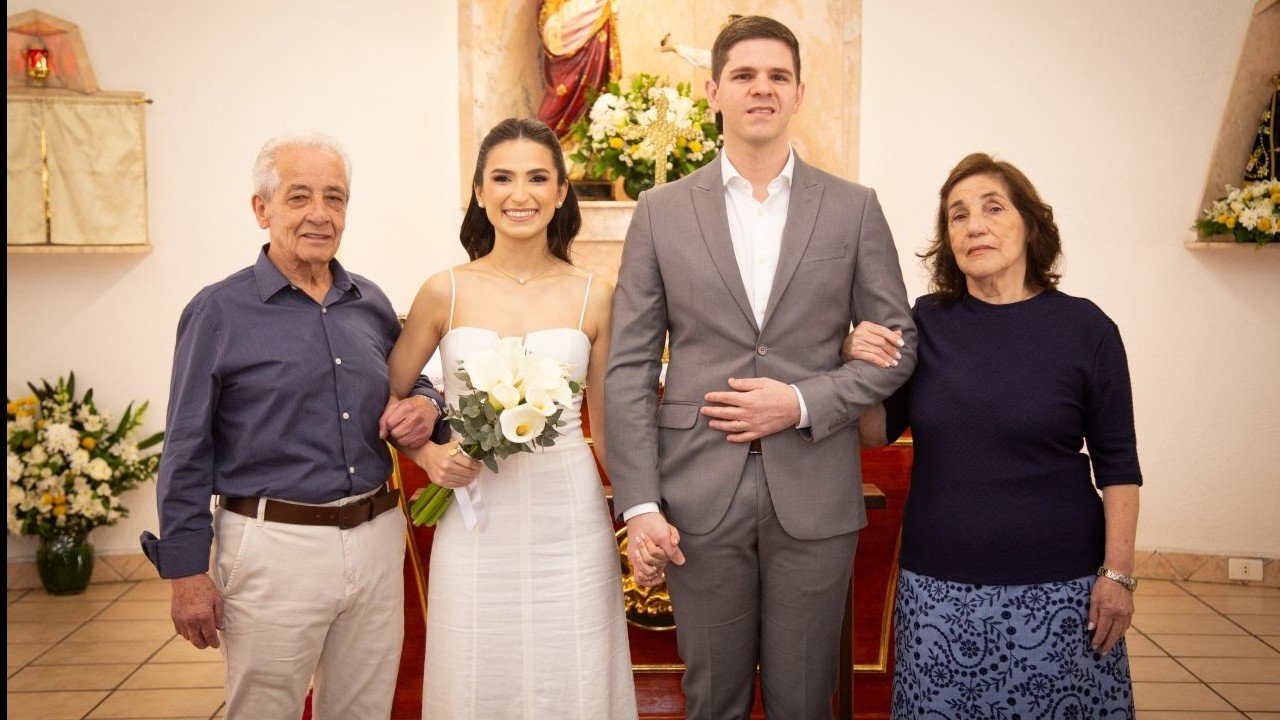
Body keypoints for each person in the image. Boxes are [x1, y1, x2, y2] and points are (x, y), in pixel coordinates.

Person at [605, 15, 916, 720]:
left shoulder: (853, 208)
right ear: (713, 91)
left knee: (803, 699)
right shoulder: (659, 212)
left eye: (778, 76)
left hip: (815, 487)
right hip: (697, 493)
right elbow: (628, 367)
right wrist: (641, 504)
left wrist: (801, 402)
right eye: (744, 75)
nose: (762, 88)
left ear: (799, 93)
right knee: (711, 697)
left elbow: (898, 343)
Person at [140, 131, 448, 719]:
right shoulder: (218, 311)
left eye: (334, 198)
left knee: (363, 709)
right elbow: (185, 447)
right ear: (262, 209)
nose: (319, 214)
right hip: (273, 547)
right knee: (266, 708)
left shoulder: (369, 302)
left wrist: (427, 405)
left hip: (376, 538)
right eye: (299, 196)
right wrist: (186, 572)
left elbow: (410, 383)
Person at [846, 152, 1141, 719]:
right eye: (957, 216)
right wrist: (855, 363)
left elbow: (1119, 465)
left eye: (992, 208)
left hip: (1063, 590)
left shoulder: (1087, 328)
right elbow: (875, 433)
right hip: (938, 589)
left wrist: (1117, 575)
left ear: (1030, 225)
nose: (973, 225)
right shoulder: (925, 322)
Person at [387, 117, 636, 719]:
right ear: (479, 191)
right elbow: (386, 396)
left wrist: (644, 514)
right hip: (477, 521)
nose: (519, 194)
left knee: (573, 670)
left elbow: (608, 433)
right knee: (477, 670)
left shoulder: (595, 295)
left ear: (561, 191)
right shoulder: (444, 290)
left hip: (568, 519)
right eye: (502, 178)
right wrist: (428, 454)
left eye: (537, 178)